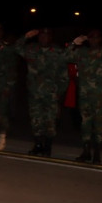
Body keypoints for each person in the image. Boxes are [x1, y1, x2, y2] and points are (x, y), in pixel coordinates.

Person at [15, 27, 69, 157]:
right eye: (41, 36)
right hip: (35, 93)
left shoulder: (58, 52)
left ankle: (48, 146)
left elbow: (64, 75)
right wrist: (26, 36)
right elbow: (16, 48)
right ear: (38, 37)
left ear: (51, 37)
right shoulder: (31, 49)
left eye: (47, 36)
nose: (44, 38)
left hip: (51, 94)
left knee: (50, 121)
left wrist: (59, 92)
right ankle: (38, 144)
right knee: (36, 120)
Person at [67, 29, 102, 163]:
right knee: (85, 123)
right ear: (88, 39)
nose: (94, 40)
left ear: (100, 39)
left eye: (96, 38)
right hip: (84, 94)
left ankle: (97, 152)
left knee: (99, 124)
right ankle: (86, 150)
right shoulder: (81, 52)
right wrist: (74, 43)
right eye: (91, 38)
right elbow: (64, 57)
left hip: (99, 95)